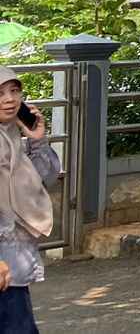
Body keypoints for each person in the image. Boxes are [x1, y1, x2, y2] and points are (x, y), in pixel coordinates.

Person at [0, 67, 57, 334]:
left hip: (12, 261)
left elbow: (44, 178)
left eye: (14, 91)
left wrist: (37, 141)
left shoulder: (11, 136)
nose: (10, 99)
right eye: (0, 93)